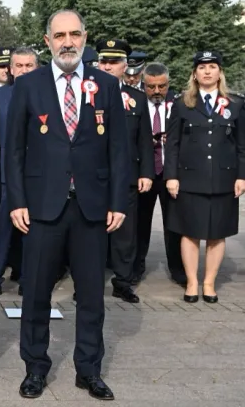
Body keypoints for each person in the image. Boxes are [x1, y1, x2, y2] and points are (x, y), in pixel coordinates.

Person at [6, 9, 128, 401]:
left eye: (74, 34)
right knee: (36, 293)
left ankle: (88, 370)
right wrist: (17, 200)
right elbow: (14, 150)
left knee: (91, 295)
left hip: (92, 206)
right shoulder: (29, 85)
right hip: (42, 206)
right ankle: (35, 368)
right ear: (47, 41)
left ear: (85, 37)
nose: (68, 42)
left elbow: (119, 149)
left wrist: (118, 201)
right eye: (59, 36)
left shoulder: (105, 84)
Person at [164, 51, 245, 304]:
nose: (207, 71)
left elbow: (241, 145)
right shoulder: (182, 103)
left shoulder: (235, 104)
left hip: (223, 180)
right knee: (189, 232)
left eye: (212, 67)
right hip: (189, 180)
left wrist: (242, 176)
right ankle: (192, 282)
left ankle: (209, 282)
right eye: (202, 67)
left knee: (217, 233)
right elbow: (172, 144)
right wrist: (171, 176)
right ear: (194, 74)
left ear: (220, 72)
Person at [95, 39, 153, 304]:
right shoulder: (85, 93)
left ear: (125, 66)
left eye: (114, 62)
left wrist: (146, 173)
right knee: (92, 234)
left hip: (126, 176)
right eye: (104, 61)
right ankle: (89, 282)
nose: (108, 67)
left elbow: (144, 139)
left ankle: (123, 282)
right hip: (93, 176)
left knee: (125, 234)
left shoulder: (137, 98)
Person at [0, 47, 38, 300]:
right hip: (4, 177)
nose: (24, 70)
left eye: (29, 66)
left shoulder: (48, 95)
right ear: (10, 69)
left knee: (32, 233)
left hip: (37, 177)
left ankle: (28, 279)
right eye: (19, 66)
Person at [135, 62, 184, 285]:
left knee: (174, 224)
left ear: (168, 84)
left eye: (162, 86)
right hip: (144, 172)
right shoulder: (136, 103)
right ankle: (135, 268)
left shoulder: (179, 104)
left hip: (170, 173)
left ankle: (178, 269)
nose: (157, 91)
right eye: (151, 87)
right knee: (140, 224)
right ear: (143, 84)